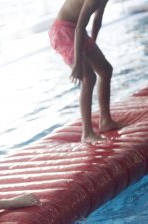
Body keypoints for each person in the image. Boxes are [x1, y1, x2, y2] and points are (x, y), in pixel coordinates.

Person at [49, 0, 121, 143]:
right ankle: (87, 133)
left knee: (106, 70)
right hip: (63, 31)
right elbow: (79, 28)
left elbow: (97, 20)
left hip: (76, 30)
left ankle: (105, 121)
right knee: (89, 78)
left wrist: (92, 45)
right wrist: (77, 62)